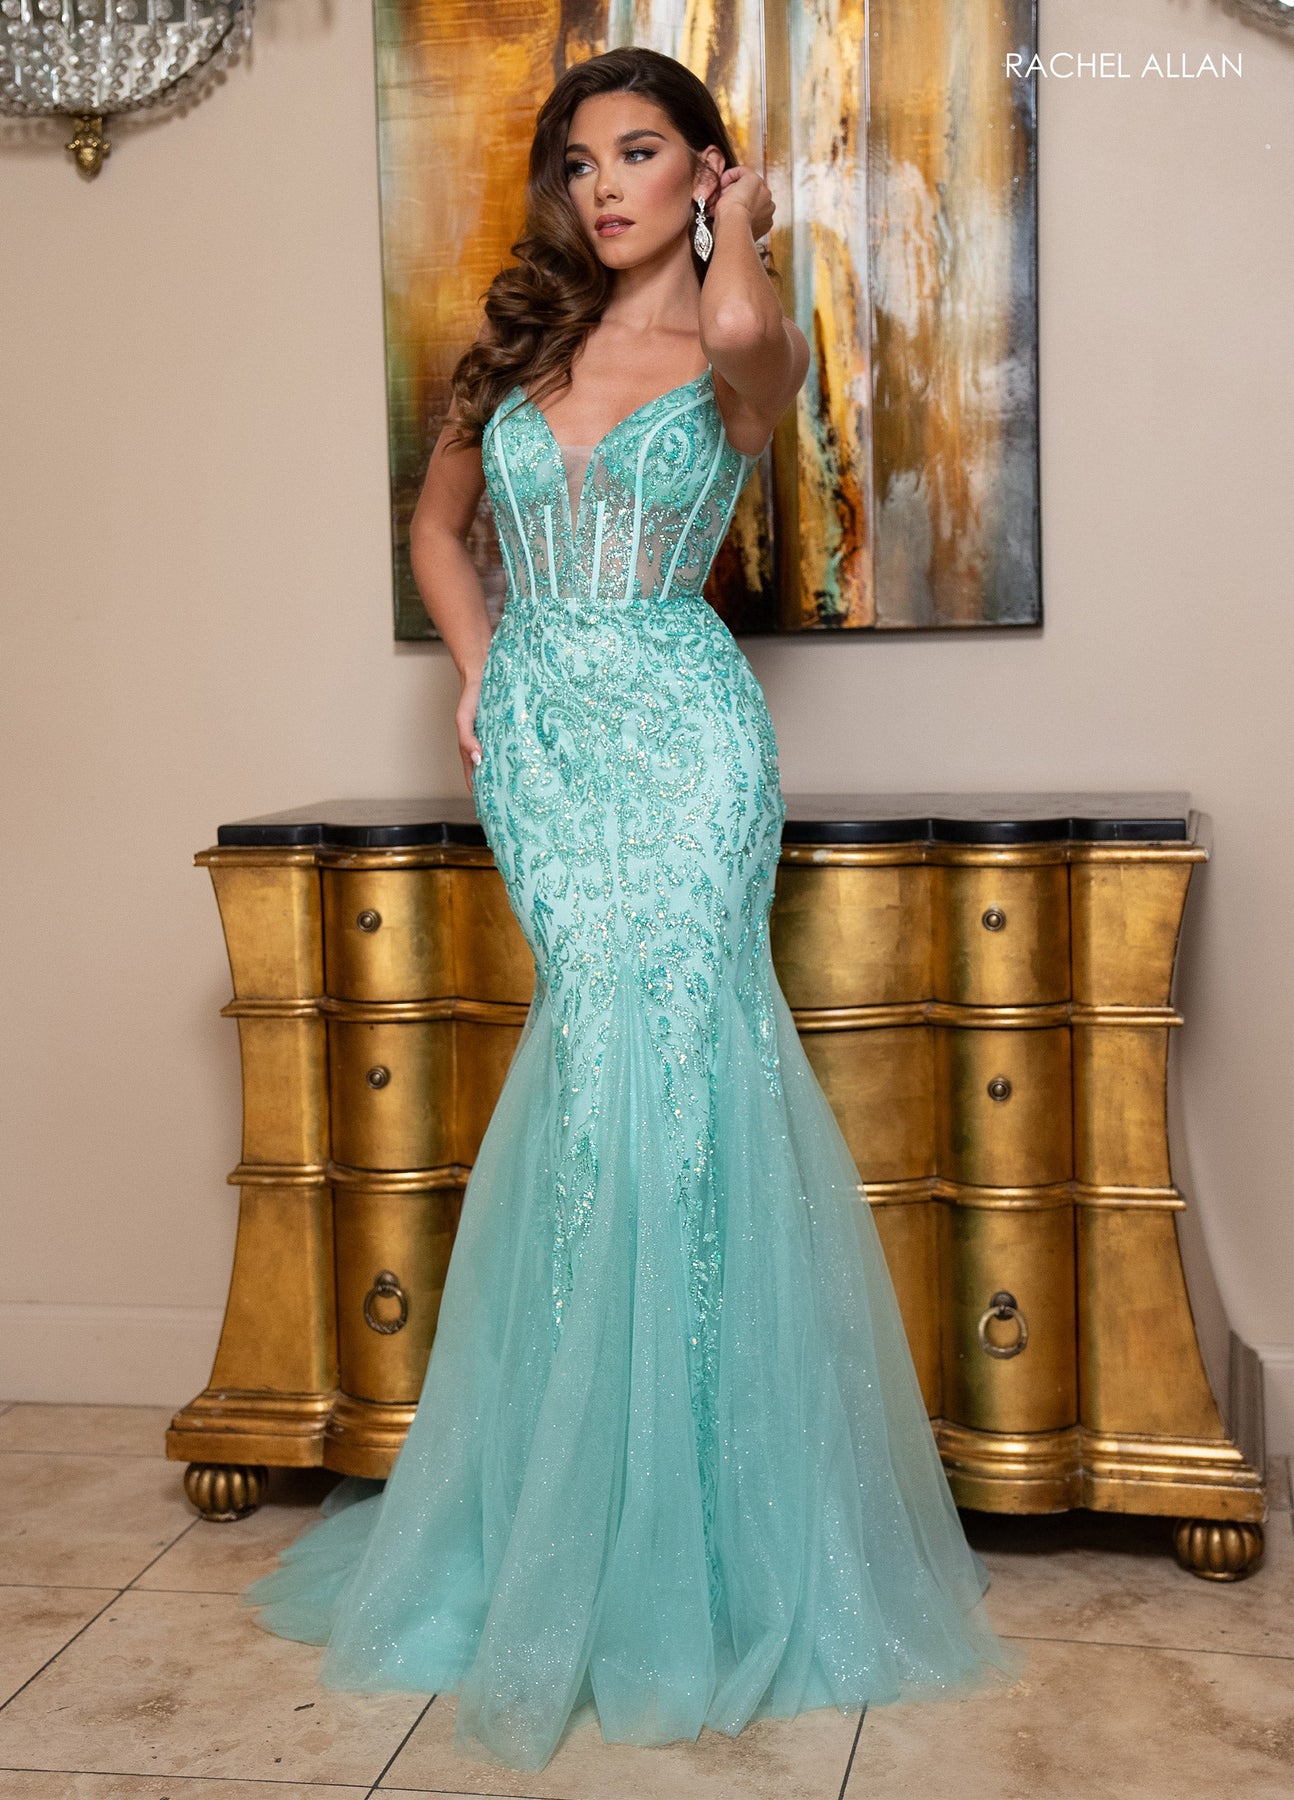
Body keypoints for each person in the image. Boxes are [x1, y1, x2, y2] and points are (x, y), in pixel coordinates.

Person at [242, 44, 1020, 1774]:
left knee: (677, 1073)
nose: (603, 187)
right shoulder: (514, 356)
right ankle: (568, 1510)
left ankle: (704, 1530)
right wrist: (478, 668)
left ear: (702, 171)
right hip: (543, 741)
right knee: (596, 1082)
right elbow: (436, 531)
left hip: (684, 734)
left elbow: (742, 332)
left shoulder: (739, 344)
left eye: (643, 152)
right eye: (580, 161)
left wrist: (744, 232)